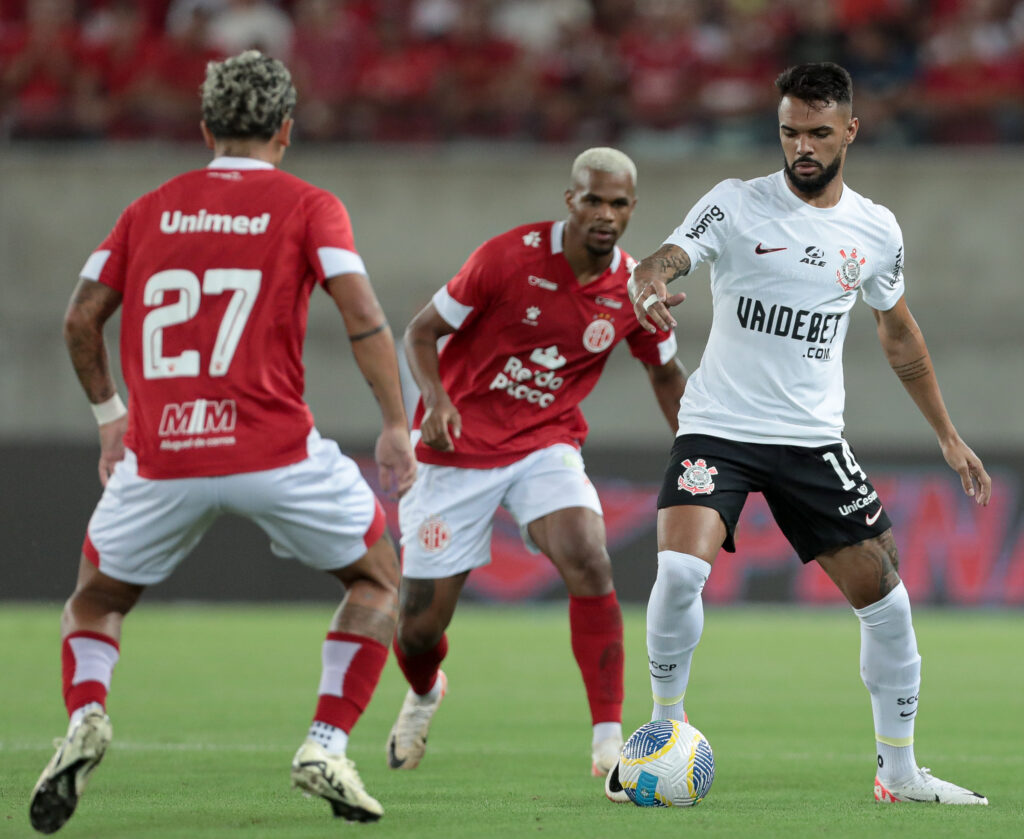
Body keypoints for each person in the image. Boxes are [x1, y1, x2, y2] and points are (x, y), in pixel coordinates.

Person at [28, 50, 416, 833]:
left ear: (205, 128)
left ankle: (86, 716)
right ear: (285, 129)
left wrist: (111, 417)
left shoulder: (150, 208)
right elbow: (363, 314)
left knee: (97, 599)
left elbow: (78, 318)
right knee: (377, 579)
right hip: (275, 451)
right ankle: (324, 741)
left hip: (161, 454)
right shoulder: (310, 204)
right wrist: (397, 423)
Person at [606, 61, 991, 806]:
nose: (802, 147)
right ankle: (660, 733)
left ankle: (900, 771)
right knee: (680, 572)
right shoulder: (736, 203)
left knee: (886, 599)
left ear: (851, 129)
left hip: (812, 439)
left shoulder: (875, 231)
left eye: (818, 133)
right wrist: (648, 279)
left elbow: (900, 335)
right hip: (717, 426)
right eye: (790, 132)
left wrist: (946, 433)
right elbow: (667, 255)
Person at [386, 147, 687, 780]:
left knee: (589, 556)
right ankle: (423, 693)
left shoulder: (633, 287)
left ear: (633, 209)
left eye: (619, 203)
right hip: (457, 446)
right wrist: (435, 401)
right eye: (594, 200)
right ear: (571, 200)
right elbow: (419, 333)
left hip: (545, 444)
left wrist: (695, 453)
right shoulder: (507, 258)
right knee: (417, 628)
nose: (606, 214)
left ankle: (609, 741)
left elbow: (666, 373)